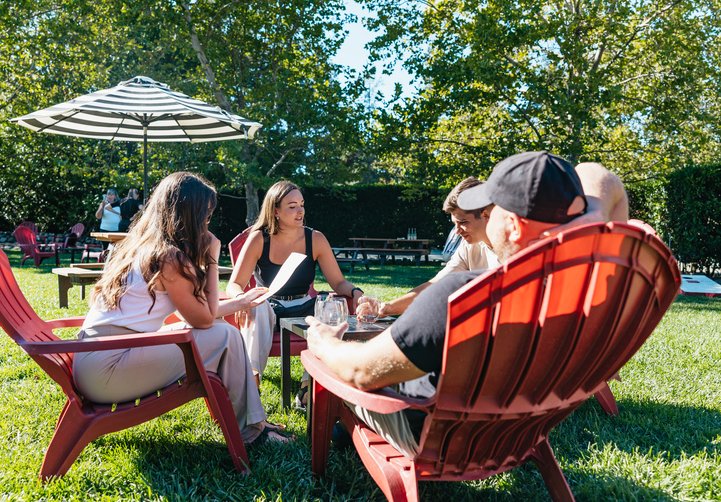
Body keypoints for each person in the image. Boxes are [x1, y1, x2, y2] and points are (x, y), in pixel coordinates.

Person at [306, 152, 629, 458]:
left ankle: (335, 427)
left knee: (326, 362)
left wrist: (324, 342)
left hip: (436, 434)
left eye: (492, 210)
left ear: (512, 225)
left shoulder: (463, 294)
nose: (486, 216)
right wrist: (592, 218)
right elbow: (602, 176)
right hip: (523, 428)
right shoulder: (588, 283)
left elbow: (360, 371)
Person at [73, 172, 292, 445]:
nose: (208, 223)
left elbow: (191, 310)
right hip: (108, 369)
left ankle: (252, 423)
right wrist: (212, 257)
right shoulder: (169, 258)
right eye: (206, 215)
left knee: (222, 331)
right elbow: (201, 319)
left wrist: (240, 302)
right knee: (224, 336)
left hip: (99, 358)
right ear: (190, 215)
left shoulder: (144, 247)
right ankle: (252, 432)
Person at [226, 180, 364, 394]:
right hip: (269, 308)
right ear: (275, 211)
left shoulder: (315, 239)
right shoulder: (259, 239)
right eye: (292, 206)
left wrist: (355, 292)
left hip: (305, 307)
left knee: (331, 310)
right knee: (257, 306)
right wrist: (242, 300)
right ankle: (250, 389)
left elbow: (338, 282)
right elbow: (234, 284)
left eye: (301, 204)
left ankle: (309, 389)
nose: (300, 211)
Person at [377, 177, 500, 318]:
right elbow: (436, 285)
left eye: (463, 222)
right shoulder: (468, 247)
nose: (457, 231)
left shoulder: (515, 246)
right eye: (455, 223)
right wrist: (388, 308)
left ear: (486, 215)